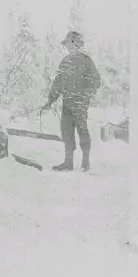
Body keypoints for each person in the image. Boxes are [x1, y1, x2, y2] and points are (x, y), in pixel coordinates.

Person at [42, 30, 101, 172]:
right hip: (67, 104)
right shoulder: (64, 62)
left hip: (80, 104)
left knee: (82, 131)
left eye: (68, 42)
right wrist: (50, 100)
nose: (66, 46)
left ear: (75, 43)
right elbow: (57, 83)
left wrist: (85, 96)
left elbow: (95, 81)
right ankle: (68, 163)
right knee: (66, 132)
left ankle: (85, 163)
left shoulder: (87, 61)